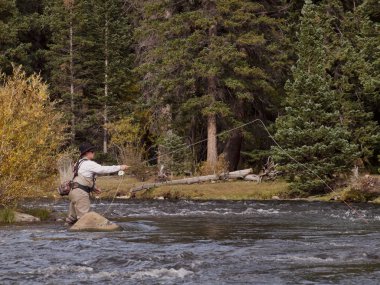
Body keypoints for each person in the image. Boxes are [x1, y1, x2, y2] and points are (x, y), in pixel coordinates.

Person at [66, 143, 129, 225]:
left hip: (73, 192)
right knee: (84, 219)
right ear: (87, 153)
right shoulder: (88, 163)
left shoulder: (77, 163)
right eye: (92, 151)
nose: (94, 153)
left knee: (71, 220)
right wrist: (120, 167)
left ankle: (67, 235)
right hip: (81, 194)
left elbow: (81, 178)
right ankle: (83, 237)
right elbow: (102, 169)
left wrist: (94, 188)